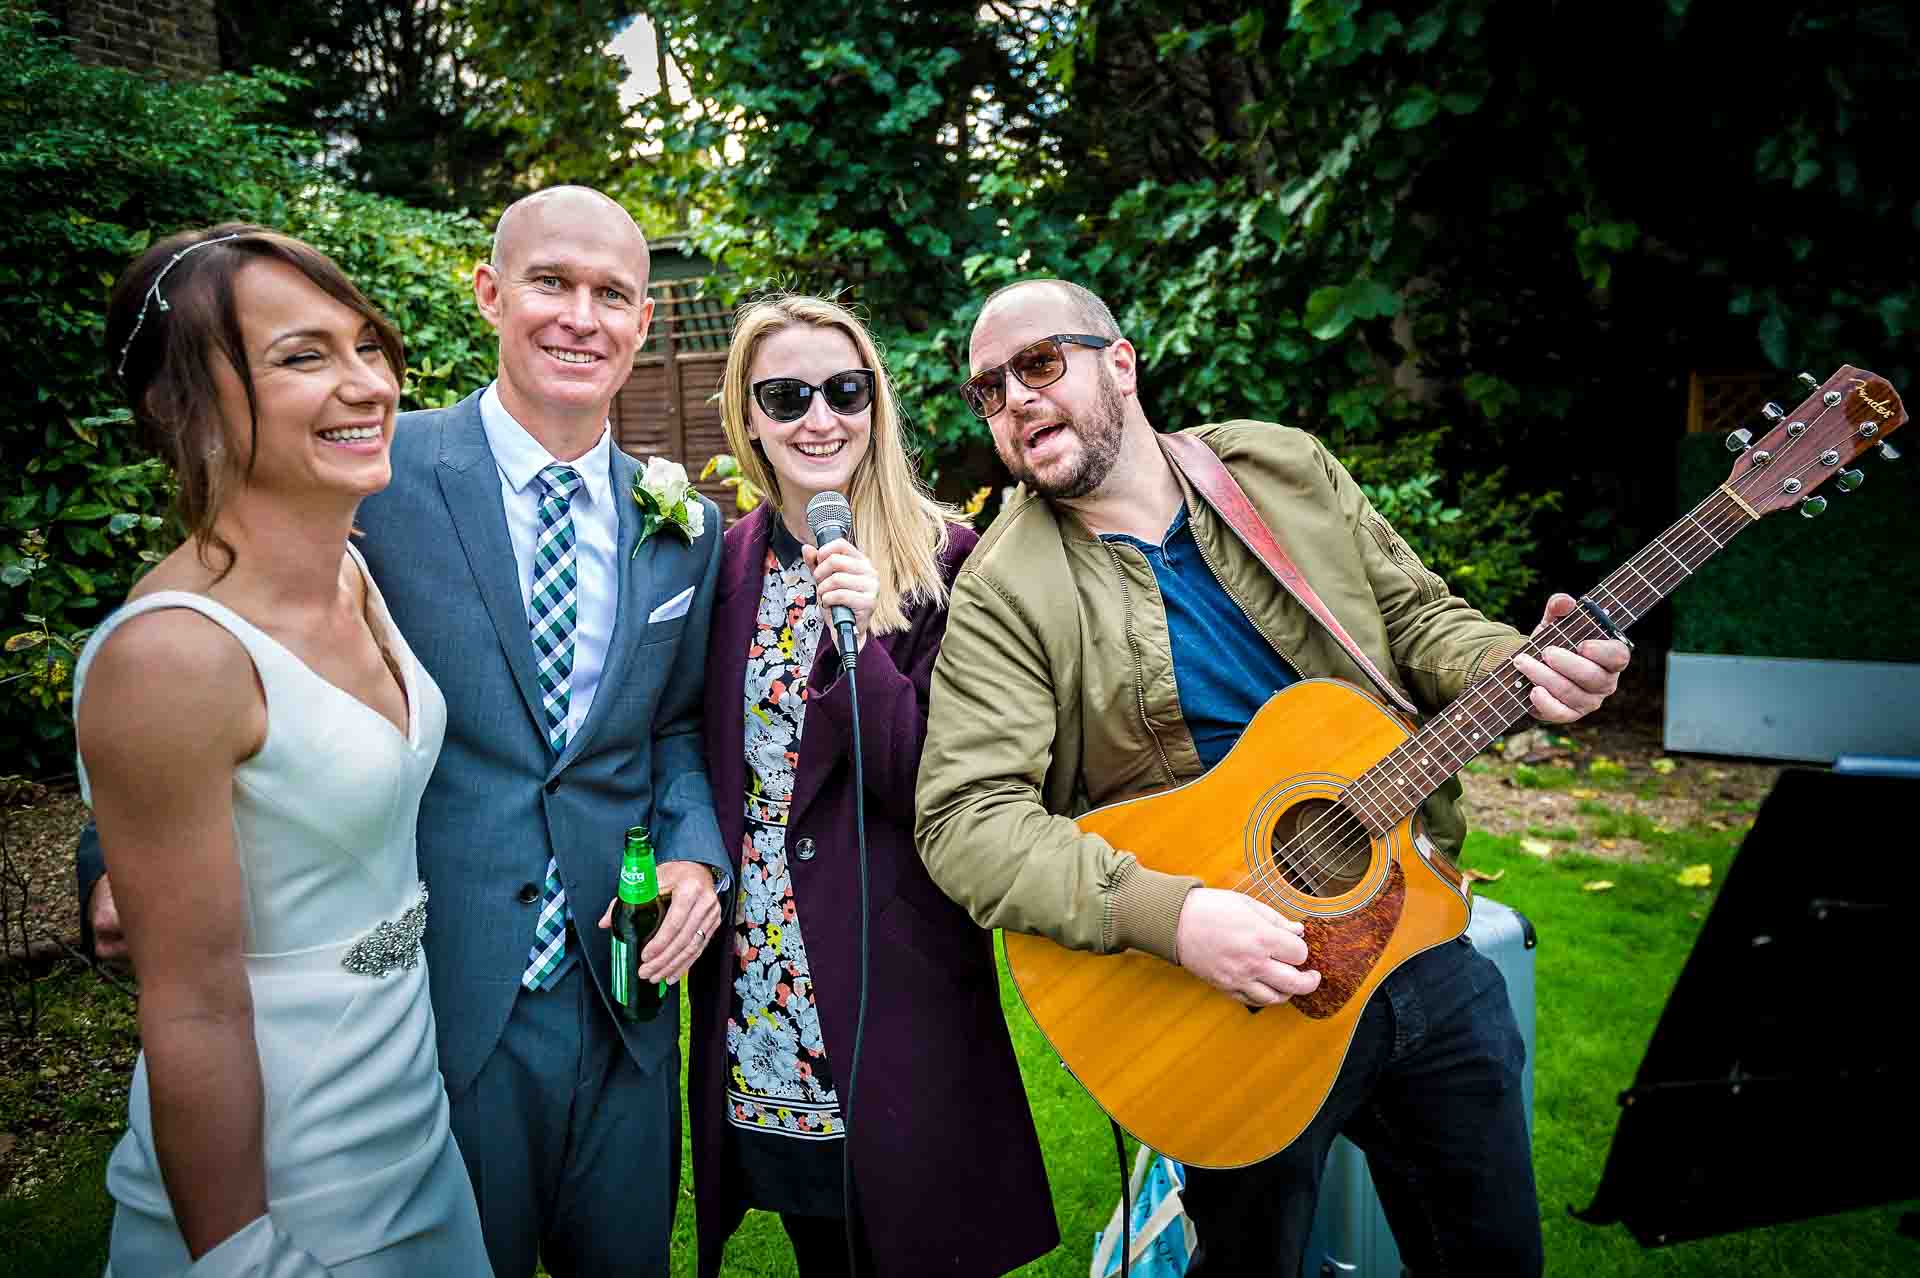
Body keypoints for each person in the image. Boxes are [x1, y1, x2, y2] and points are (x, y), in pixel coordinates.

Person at [916, 279, 1633, 1276]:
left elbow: (1418, 619)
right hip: (1222, 994)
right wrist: (1174, 916)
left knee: (1493, 1255)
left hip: (1411, 930)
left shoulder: (1278, 469)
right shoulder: (1006, 589)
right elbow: (967, 819)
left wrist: (1507, 667)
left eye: (1038, 365)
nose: (1014, 401)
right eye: (987, 391)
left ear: (1119, 364)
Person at [80, 186, 730, 1277]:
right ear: (489, 294)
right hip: (441, 1001)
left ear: (644, 324)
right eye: (551, 283)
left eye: (612, 293)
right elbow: (204, 640)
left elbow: (667, 728)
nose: (582, 315)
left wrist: (697, 855)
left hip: (621, 999)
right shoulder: (365, 471)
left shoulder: (686, 524)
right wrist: (113, 864)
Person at [77, 225, 491, 1275]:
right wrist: (243, 1255)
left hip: (413, 1136)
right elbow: (194, 1006)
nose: (367, 384)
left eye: (366, 345)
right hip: (284, 1186)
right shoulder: (173, 655)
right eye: (302, 358)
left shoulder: (352, 573)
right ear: (185, 408)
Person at [685, 294, 1056, 1276]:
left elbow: (932, 781)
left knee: (918, 1240)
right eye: (787, 394)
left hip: (895, 975)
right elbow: (690, 744)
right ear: (750, 418)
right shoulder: (725, 568)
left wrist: (860, 646)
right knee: (824, 1247)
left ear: (874, 405)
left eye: (844, 390)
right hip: (764, 987)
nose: (819, 417)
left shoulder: (946, 563)